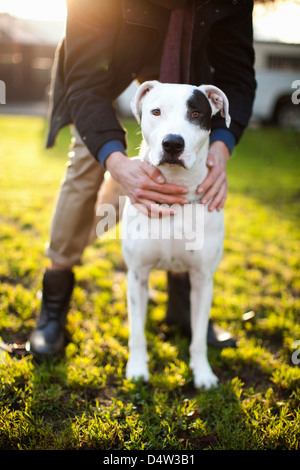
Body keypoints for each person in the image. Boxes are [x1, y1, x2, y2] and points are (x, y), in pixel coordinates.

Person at [28, 0, 256, 358]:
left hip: (192, 76)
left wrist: (222, 146)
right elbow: (85, 82)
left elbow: (238, 75)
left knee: (193, 177)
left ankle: (183, 303)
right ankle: (54, 304)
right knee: (86, 165)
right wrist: (114, 160)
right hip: (104, 73)